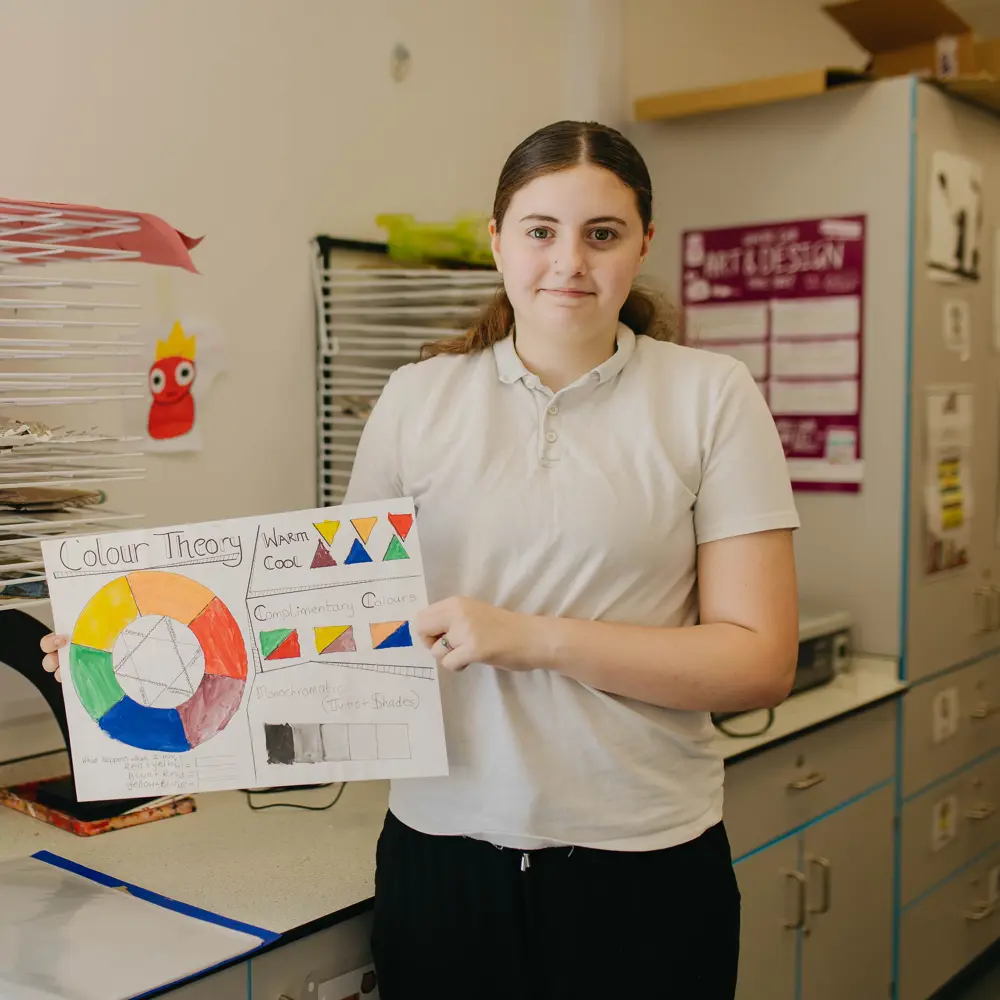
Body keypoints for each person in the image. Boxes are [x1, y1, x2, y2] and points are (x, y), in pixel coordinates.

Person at [41, 120, 800, 999]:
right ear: (497, 240)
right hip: (443, 862)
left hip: (646, 864)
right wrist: (118, 653)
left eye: (603, 233)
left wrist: (529, 638)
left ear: (643, 246)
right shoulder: (417, 399)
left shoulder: (711, 398)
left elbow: (758, 660)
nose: (569, 262)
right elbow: (327, 631)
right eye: (541, 230)